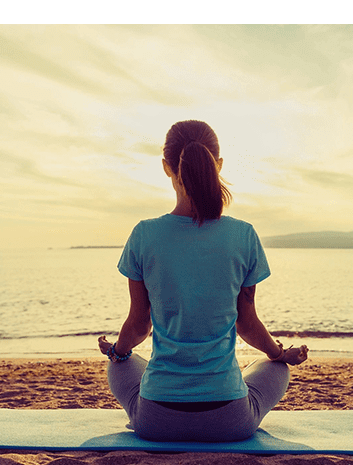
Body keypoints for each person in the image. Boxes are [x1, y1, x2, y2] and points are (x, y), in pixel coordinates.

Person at [97, 120, 308, 442]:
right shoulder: (243, 235)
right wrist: (279, 354)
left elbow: (139, 326)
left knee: (120, 363)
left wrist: (116, 350)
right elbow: (247, 325)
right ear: (218, 165)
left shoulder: (144, 234)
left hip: (156, 421)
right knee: (275, 367)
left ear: (167, 167)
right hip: (230, 422)